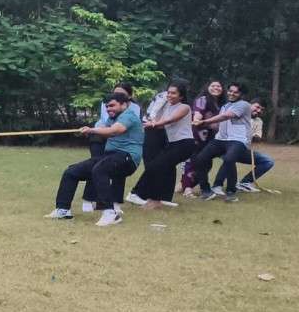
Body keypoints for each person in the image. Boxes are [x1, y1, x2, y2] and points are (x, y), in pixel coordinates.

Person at [46, 90, 143, 226]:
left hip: (128, 158)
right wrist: (88, 130)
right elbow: (103, 129)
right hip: (110, 156)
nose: (109, 109)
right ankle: (63, 209)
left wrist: (91, 130)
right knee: (72, 172)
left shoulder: (129, 116)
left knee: (100, 169)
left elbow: (115, 130)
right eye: (107, 106)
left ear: (124, 104)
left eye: (112, 106)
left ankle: (111, 213)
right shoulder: (112, 119)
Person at [127, 79, 194, 209]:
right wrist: (146, 125)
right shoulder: (167, 108)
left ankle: (147, 197)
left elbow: (171, 119)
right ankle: (160, 198)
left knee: (156, 166)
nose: (169, 95)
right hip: (173, 144)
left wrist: (155, 123)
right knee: (161, 168)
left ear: (181, 95)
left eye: (173, 93)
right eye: (168, 93)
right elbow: (159, 124)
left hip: (185, 144)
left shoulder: (185, 107)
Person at [189, 82, 253, 202]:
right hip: (221, 139)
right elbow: (219, 123)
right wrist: (197, 122)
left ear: (241, 94)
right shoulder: (225, 105)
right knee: (200, 159)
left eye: (235, 92)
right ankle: (206, 191)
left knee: (229, 160)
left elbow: (226, 117)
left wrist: (204, 122)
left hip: (238, 140)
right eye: (230, 91)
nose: (232, 94)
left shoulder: (243, 105)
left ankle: (231, 192)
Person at [82, 82, 134, 213]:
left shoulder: (134, 109)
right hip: (100, 137)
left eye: (121, 94)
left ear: (129, 96)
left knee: (118, 169)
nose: (116, 96)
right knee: (96, 166)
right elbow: (107, 123)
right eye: (115, 93)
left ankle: (115, 203)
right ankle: (88, 200)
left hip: (119, 142)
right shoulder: (108, 104)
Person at [180, 80, 223, 195]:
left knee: (207, 163)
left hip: (211, 138)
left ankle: (185, 186)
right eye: (213, 85)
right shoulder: (203, 99)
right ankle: (187, 188)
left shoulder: (220, 104)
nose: (216, 88)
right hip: (197, 136)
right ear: (207, 87)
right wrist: (197, 120)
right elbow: (197, 114)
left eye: (219, 86)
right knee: (193, 161)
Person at [238, 101, 274, 191]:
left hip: (243, 150)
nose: (258, 111)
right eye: (257, 107)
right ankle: (217, 185)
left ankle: (245, 182)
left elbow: (258, 136)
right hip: (227, 148)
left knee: (268, 161)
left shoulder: (258, 121)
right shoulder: (238, 115)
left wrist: (255, 137)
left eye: (261, 110)